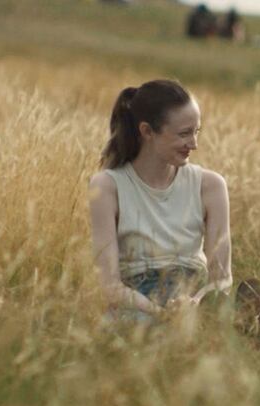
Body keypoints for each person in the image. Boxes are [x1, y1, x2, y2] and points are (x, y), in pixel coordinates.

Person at [89, 79, 234, 325]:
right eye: (184, 134)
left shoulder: (211, 186)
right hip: (138, 301)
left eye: (196, 132)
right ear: (147, 132)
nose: (194, 144)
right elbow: (110, 286)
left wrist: (195, 304)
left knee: (225, 308)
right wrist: (163, 314)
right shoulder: (107, 186)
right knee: (137, 326)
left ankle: (227, 327)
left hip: (193, 297)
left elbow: (222, 279)